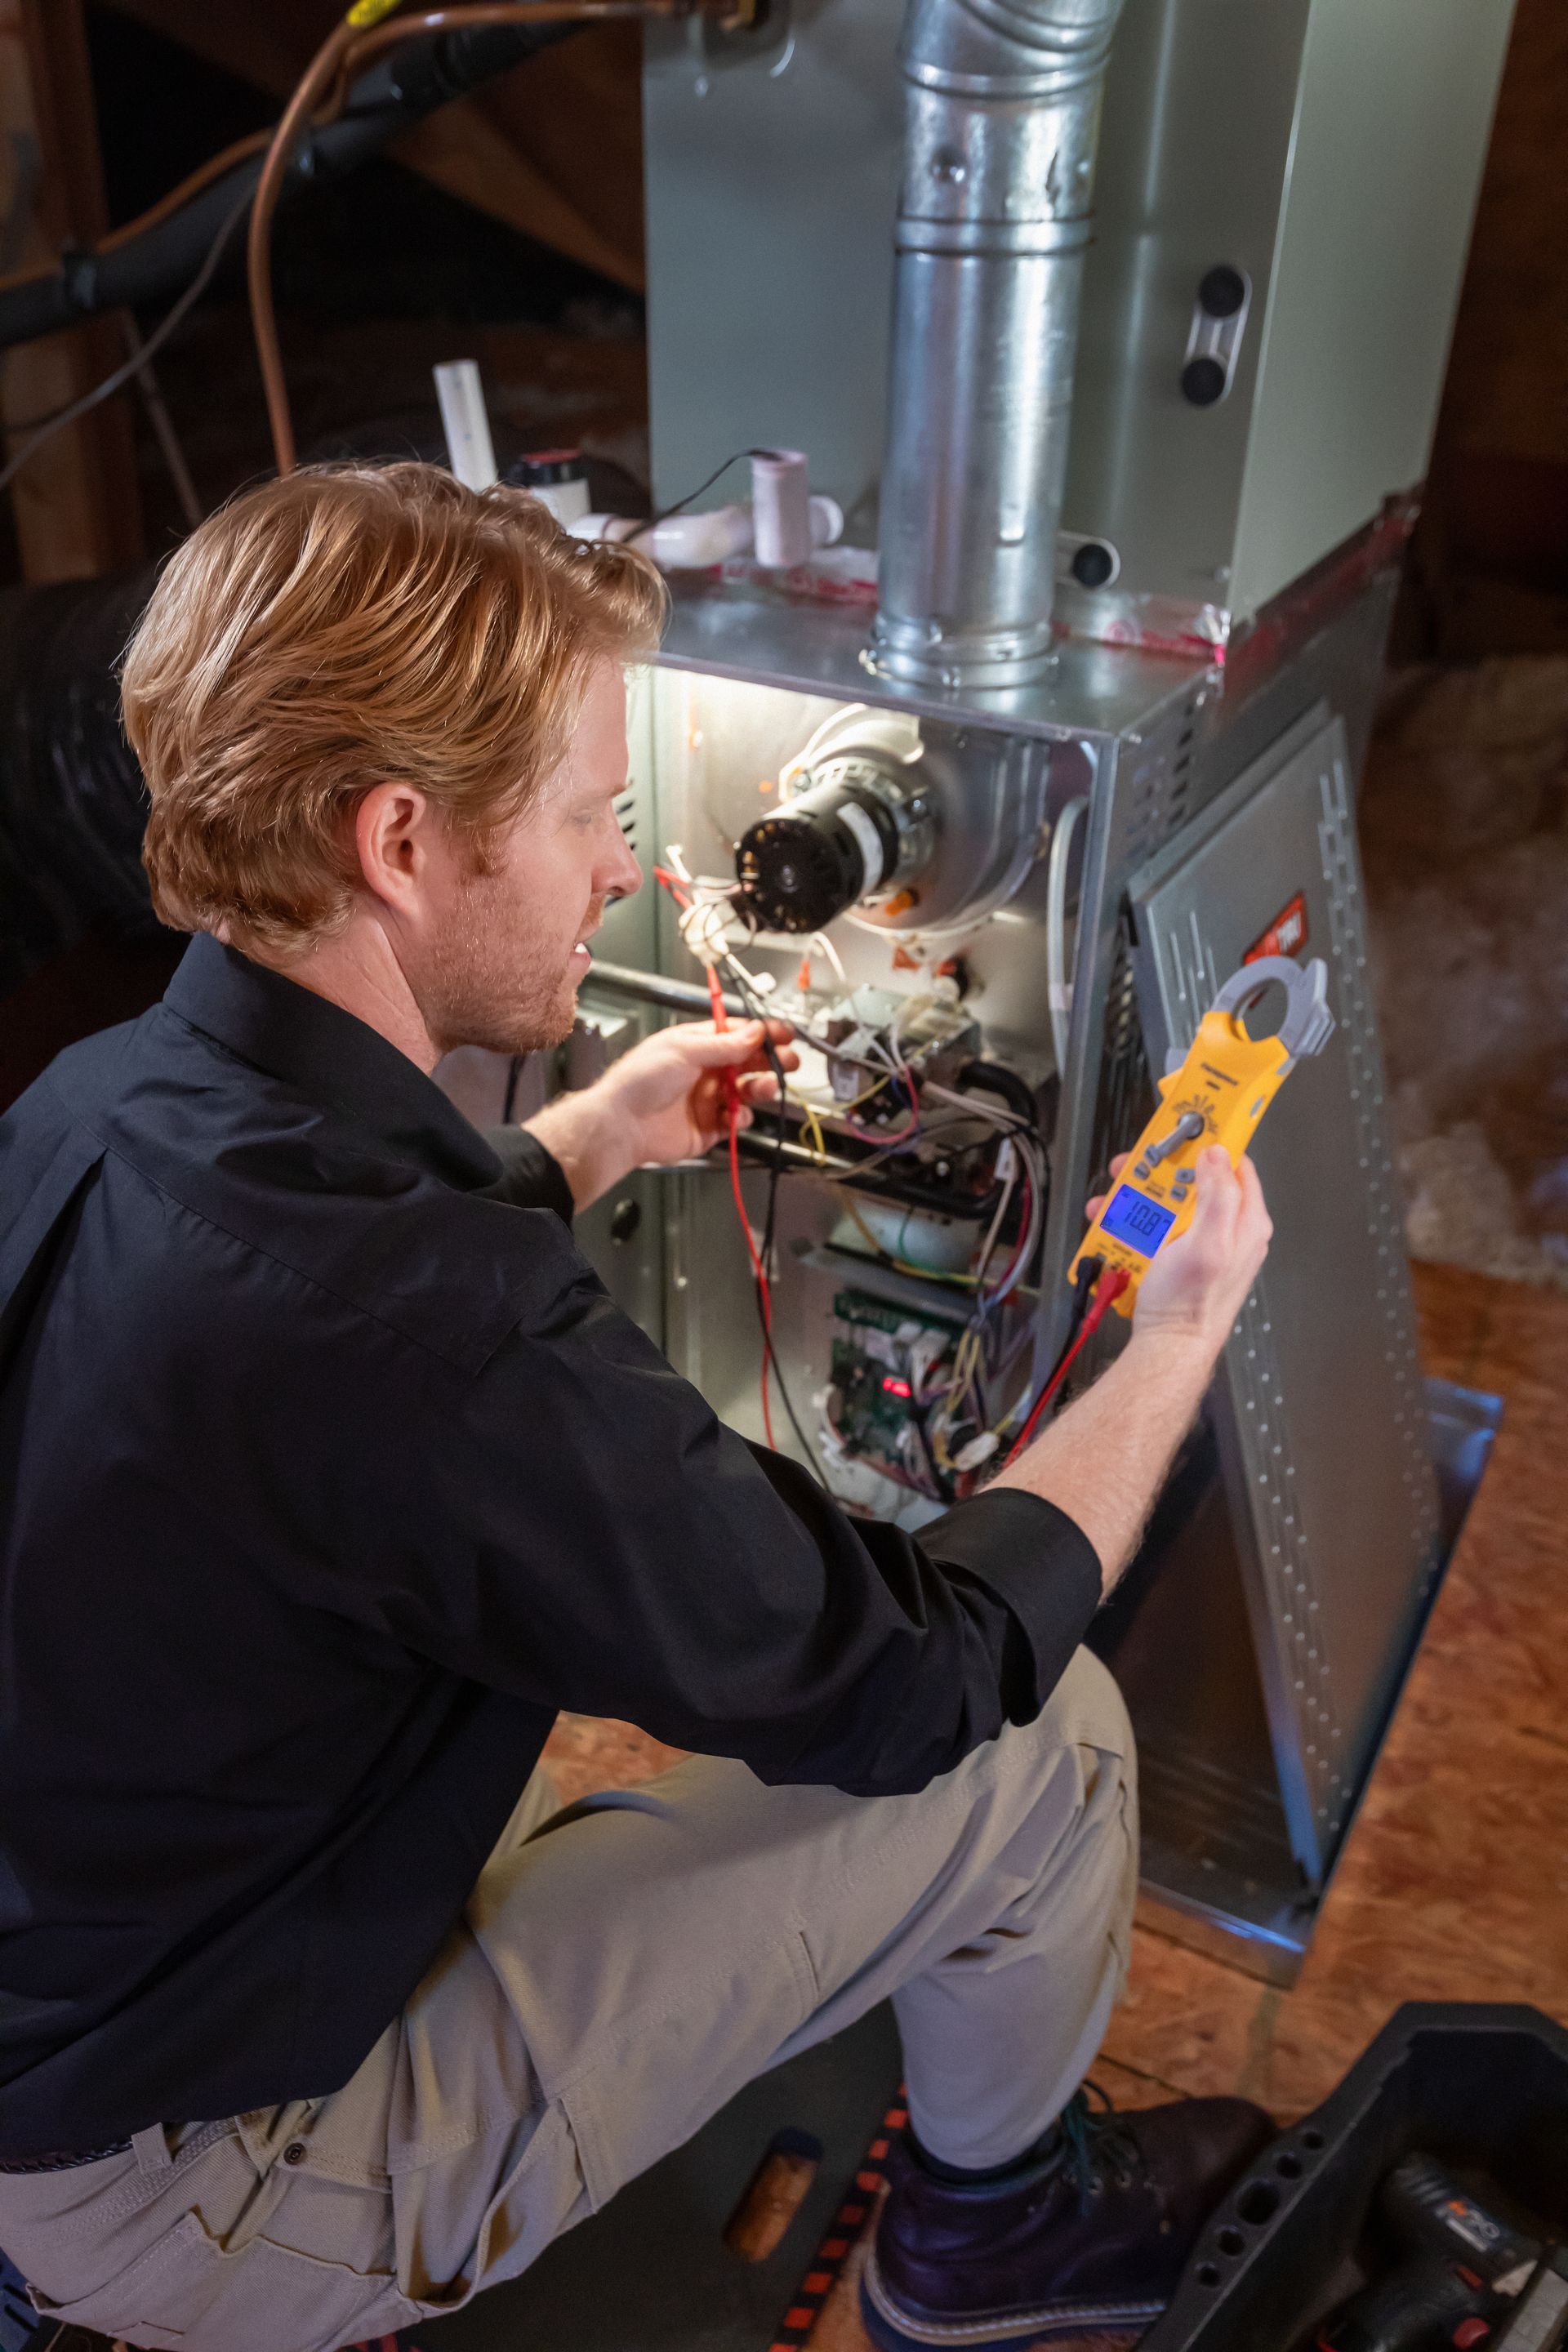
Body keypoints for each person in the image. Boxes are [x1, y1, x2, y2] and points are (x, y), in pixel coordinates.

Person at [0, 465, 1275, 2352]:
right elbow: (914, 1679)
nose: (621, 866)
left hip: (68, 2024)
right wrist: (1174, 1343)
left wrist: (588, 1135)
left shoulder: (93, 1104)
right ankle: (987, 2244)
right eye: (595, 812)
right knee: (1049, 1738)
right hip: (194, 2172)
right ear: (403, 842)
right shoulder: (433, 1334)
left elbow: (311, 1308)